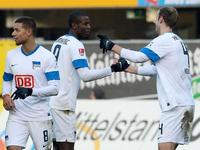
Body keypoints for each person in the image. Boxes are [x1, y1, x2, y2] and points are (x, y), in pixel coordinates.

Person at [98, 7, 195, 150]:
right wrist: (127, 68)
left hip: (173, 106)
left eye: (156, 18)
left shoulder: (164, 40)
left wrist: (111, 45)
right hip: (185, 103)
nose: (155, 22)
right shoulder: (178, 41)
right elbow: (156, 70)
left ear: (161, 19)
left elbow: (139, 57)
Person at [49, 12, 129, 150]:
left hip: (52, 102)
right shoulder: (76, 45)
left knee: (56, 146)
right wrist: (113, 68)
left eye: (89, 23)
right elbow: (85, 76)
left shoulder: (59, 40)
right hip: (64, 105)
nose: (89, 27)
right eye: (85, 23)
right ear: (74, 25)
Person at [2, 16, 60, 150]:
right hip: (17, 115)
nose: (13, 34)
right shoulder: (11, 55)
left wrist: (30, 91)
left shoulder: (47, 56)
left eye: (17, 30)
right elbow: (7, 79)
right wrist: (6, 95)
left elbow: (55, 88)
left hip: (40, 116)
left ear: (28, 32)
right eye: (13, 30)